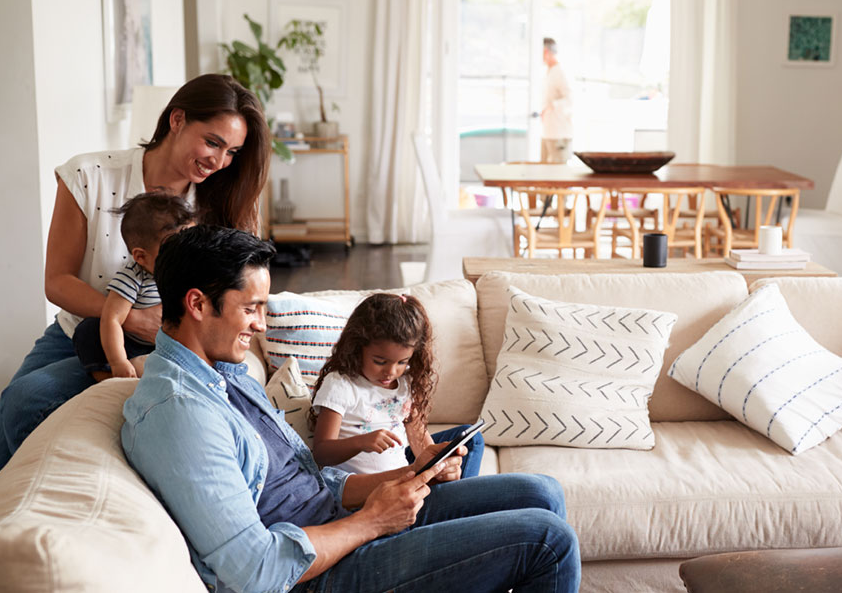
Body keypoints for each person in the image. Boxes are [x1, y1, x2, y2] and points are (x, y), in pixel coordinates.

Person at [122, 225, 580, 592]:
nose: (261, 325)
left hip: (338, 519)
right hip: (319, 572)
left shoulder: (228, 374)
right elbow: (254, 570)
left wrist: (408, 475)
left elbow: (313, 479)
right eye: (252, 309)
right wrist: (373, 521)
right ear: (198, 304)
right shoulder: (180, 414)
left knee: (542, 492)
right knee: (548, 540)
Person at [0, 73, 272, 500]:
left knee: (29, 399)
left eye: (232, 151)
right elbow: (58, 281)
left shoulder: (219, 202)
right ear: (176, 119)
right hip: (80, 329)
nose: (219, 161)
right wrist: (133, 317)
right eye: (212, 142)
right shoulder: (90, 175)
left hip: (162, 346)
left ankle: (43, 507)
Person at [309, 293, 484, 479]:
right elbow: (321, 452)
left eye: (402, 362)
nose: (391, 372)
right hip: (371, 488)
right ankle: (458, 498)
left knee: (472, 440)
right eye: (380, 361)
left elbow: (421, 442)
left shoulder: (405, 383)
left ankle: (455, 493)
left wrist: (438, 466)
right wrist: (361, 442)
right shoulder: (341, 385)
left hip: (405, 475)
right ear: (357, 347)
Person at [71, 192, 195, 381]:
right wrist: (118, 361)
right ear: (141, 257)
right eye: (174, 251)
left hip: (172, 345)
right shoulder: (133, 277)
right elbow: (111, 319)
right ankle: (108, 378)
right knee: (90, 329)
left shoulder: (191, 273)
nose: (186, 257)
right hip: (133, 346)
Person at [540, 37, 574, 163]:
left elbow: (570, 99)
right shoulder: (548, 72)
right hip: (547, 132)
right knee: (544, 175)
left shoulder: (561, 72)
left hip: (559, 134)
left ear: (546, 51)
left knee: (558, 175)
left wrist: (551, 106)